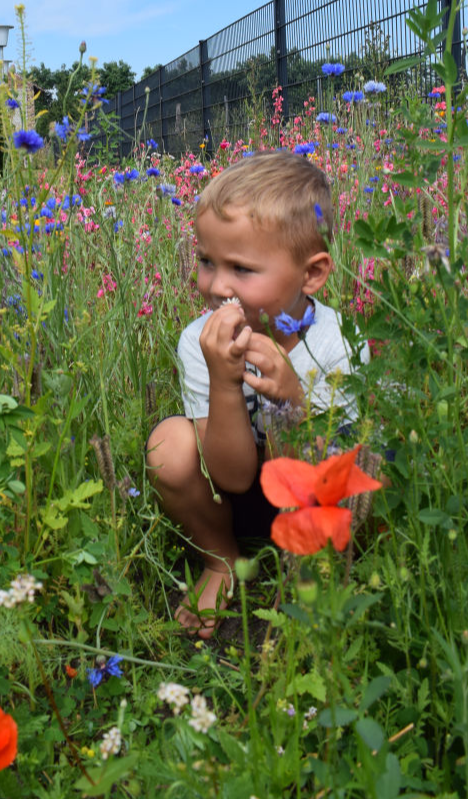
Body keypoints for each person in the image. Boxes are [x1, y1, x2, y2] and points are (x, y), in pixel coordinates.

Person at [146, 150, 369, 638]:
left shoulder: (338, 344)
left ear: (311, 275)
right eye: (207, 261)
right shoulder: (199, 340)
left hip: (311, 499)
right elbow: (233, 473)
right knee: (169, 444)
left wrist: (292, 399)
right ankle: (221, 559)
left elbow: (329, 477)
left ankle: (309, 572)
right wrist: (224, 381)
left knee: (378, 472)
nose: (217, 286)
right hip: (237, 496)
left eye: (241, 269)